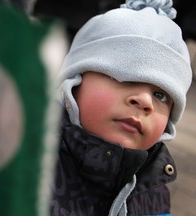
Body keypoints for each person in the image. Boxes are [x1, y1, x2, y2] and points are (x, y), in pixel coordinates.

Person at [51, 0, 193, 215]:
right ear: (74, 82)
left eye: (161, 95)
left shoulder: (153, 188)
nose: (145, 101)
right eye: (126, 78)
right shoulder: (30, 160)